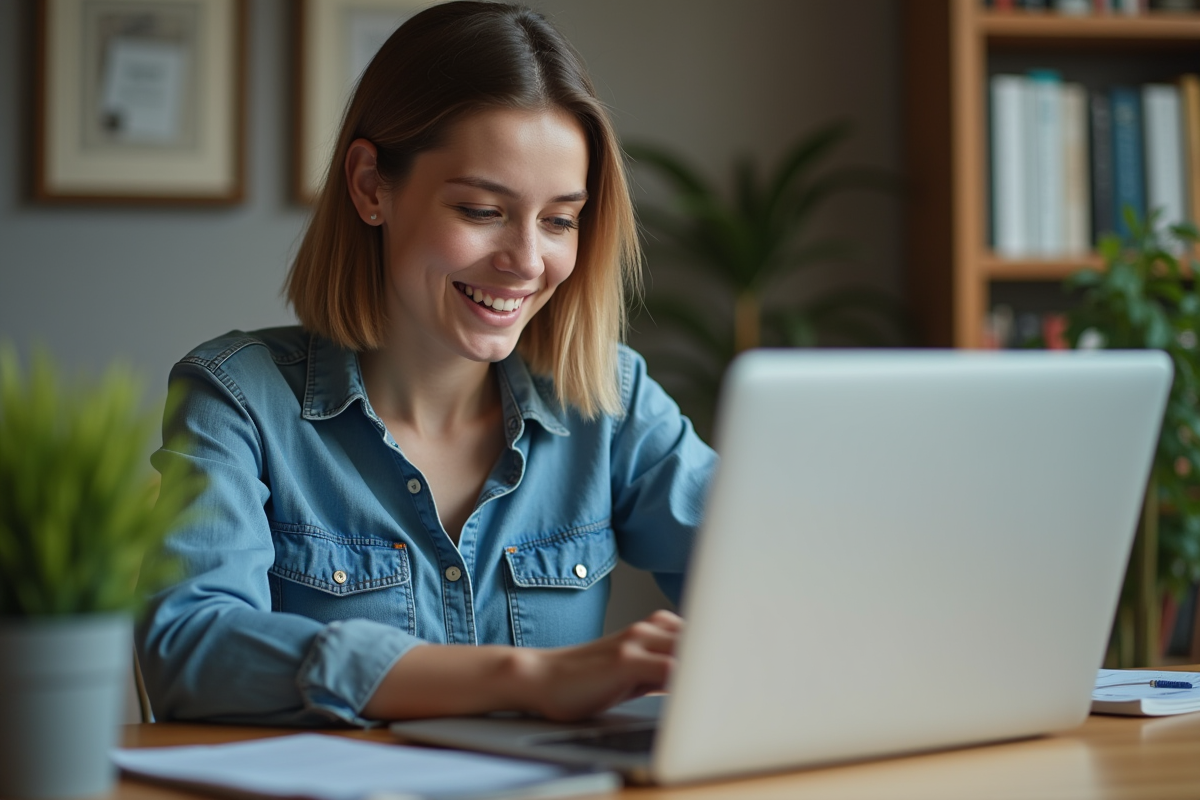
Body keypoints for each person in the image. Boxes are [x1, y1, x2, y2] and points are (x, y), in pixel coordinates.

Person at [136, 1, 716, 727]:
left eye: (560, 219)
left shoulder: (609, 399)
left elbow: (781, 582)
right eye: (481, 210)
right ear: (371, 186)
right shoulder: (239, 400)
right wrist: (522, 677)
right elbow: (189, 651)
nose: (527, 262)